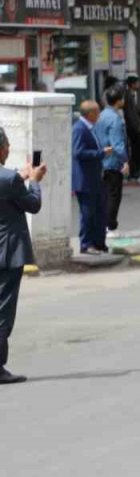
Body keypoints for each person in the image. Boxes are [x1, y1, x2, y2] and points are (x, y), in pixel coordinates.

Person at [0, 128, 44, 384]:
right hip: (8, 252)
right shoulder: (9, 180)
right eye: (6, 146)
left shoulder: (10, 179)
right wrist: (35, 180)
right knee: (3, 312)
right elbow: (33, 204)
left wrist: (22, 174)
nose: (8, 150)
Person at [72, 100, 108, 255]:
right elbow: (78, 152)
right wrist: (101, 153)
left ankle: (99, 242)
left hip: (94, 179)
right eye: (97, 112)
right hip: (85, 180)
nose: (99, 115)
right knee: (88, 214)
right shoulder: (80, 129)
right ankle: (86, 244)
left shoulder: (90, 128)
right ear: (91, 113)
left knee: (99, 211)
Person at [94, 87, 129, 237]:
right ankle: (111, 226)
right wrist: (125, 161)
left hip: (100, 161)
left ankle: (102, 225)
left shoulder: (100, 116)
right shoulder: (115, 119)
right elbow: (118, 144)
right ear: (119, 101)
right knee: (114, 195)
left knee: (104, 196)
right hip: (113, 162)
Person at [124, 75, 140, 181]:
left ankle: (134, 172)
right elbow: (130, 114)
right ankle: (134, 173)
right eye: (137, 83)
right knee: (137, 150)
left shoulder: (132, 95)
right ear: (132, 85)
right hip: (133, 129)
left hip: (135, 127)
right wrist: (137, 127)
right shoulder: (128, 96)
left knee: (137, 150)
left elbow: (135, 111)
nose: (139, 85)